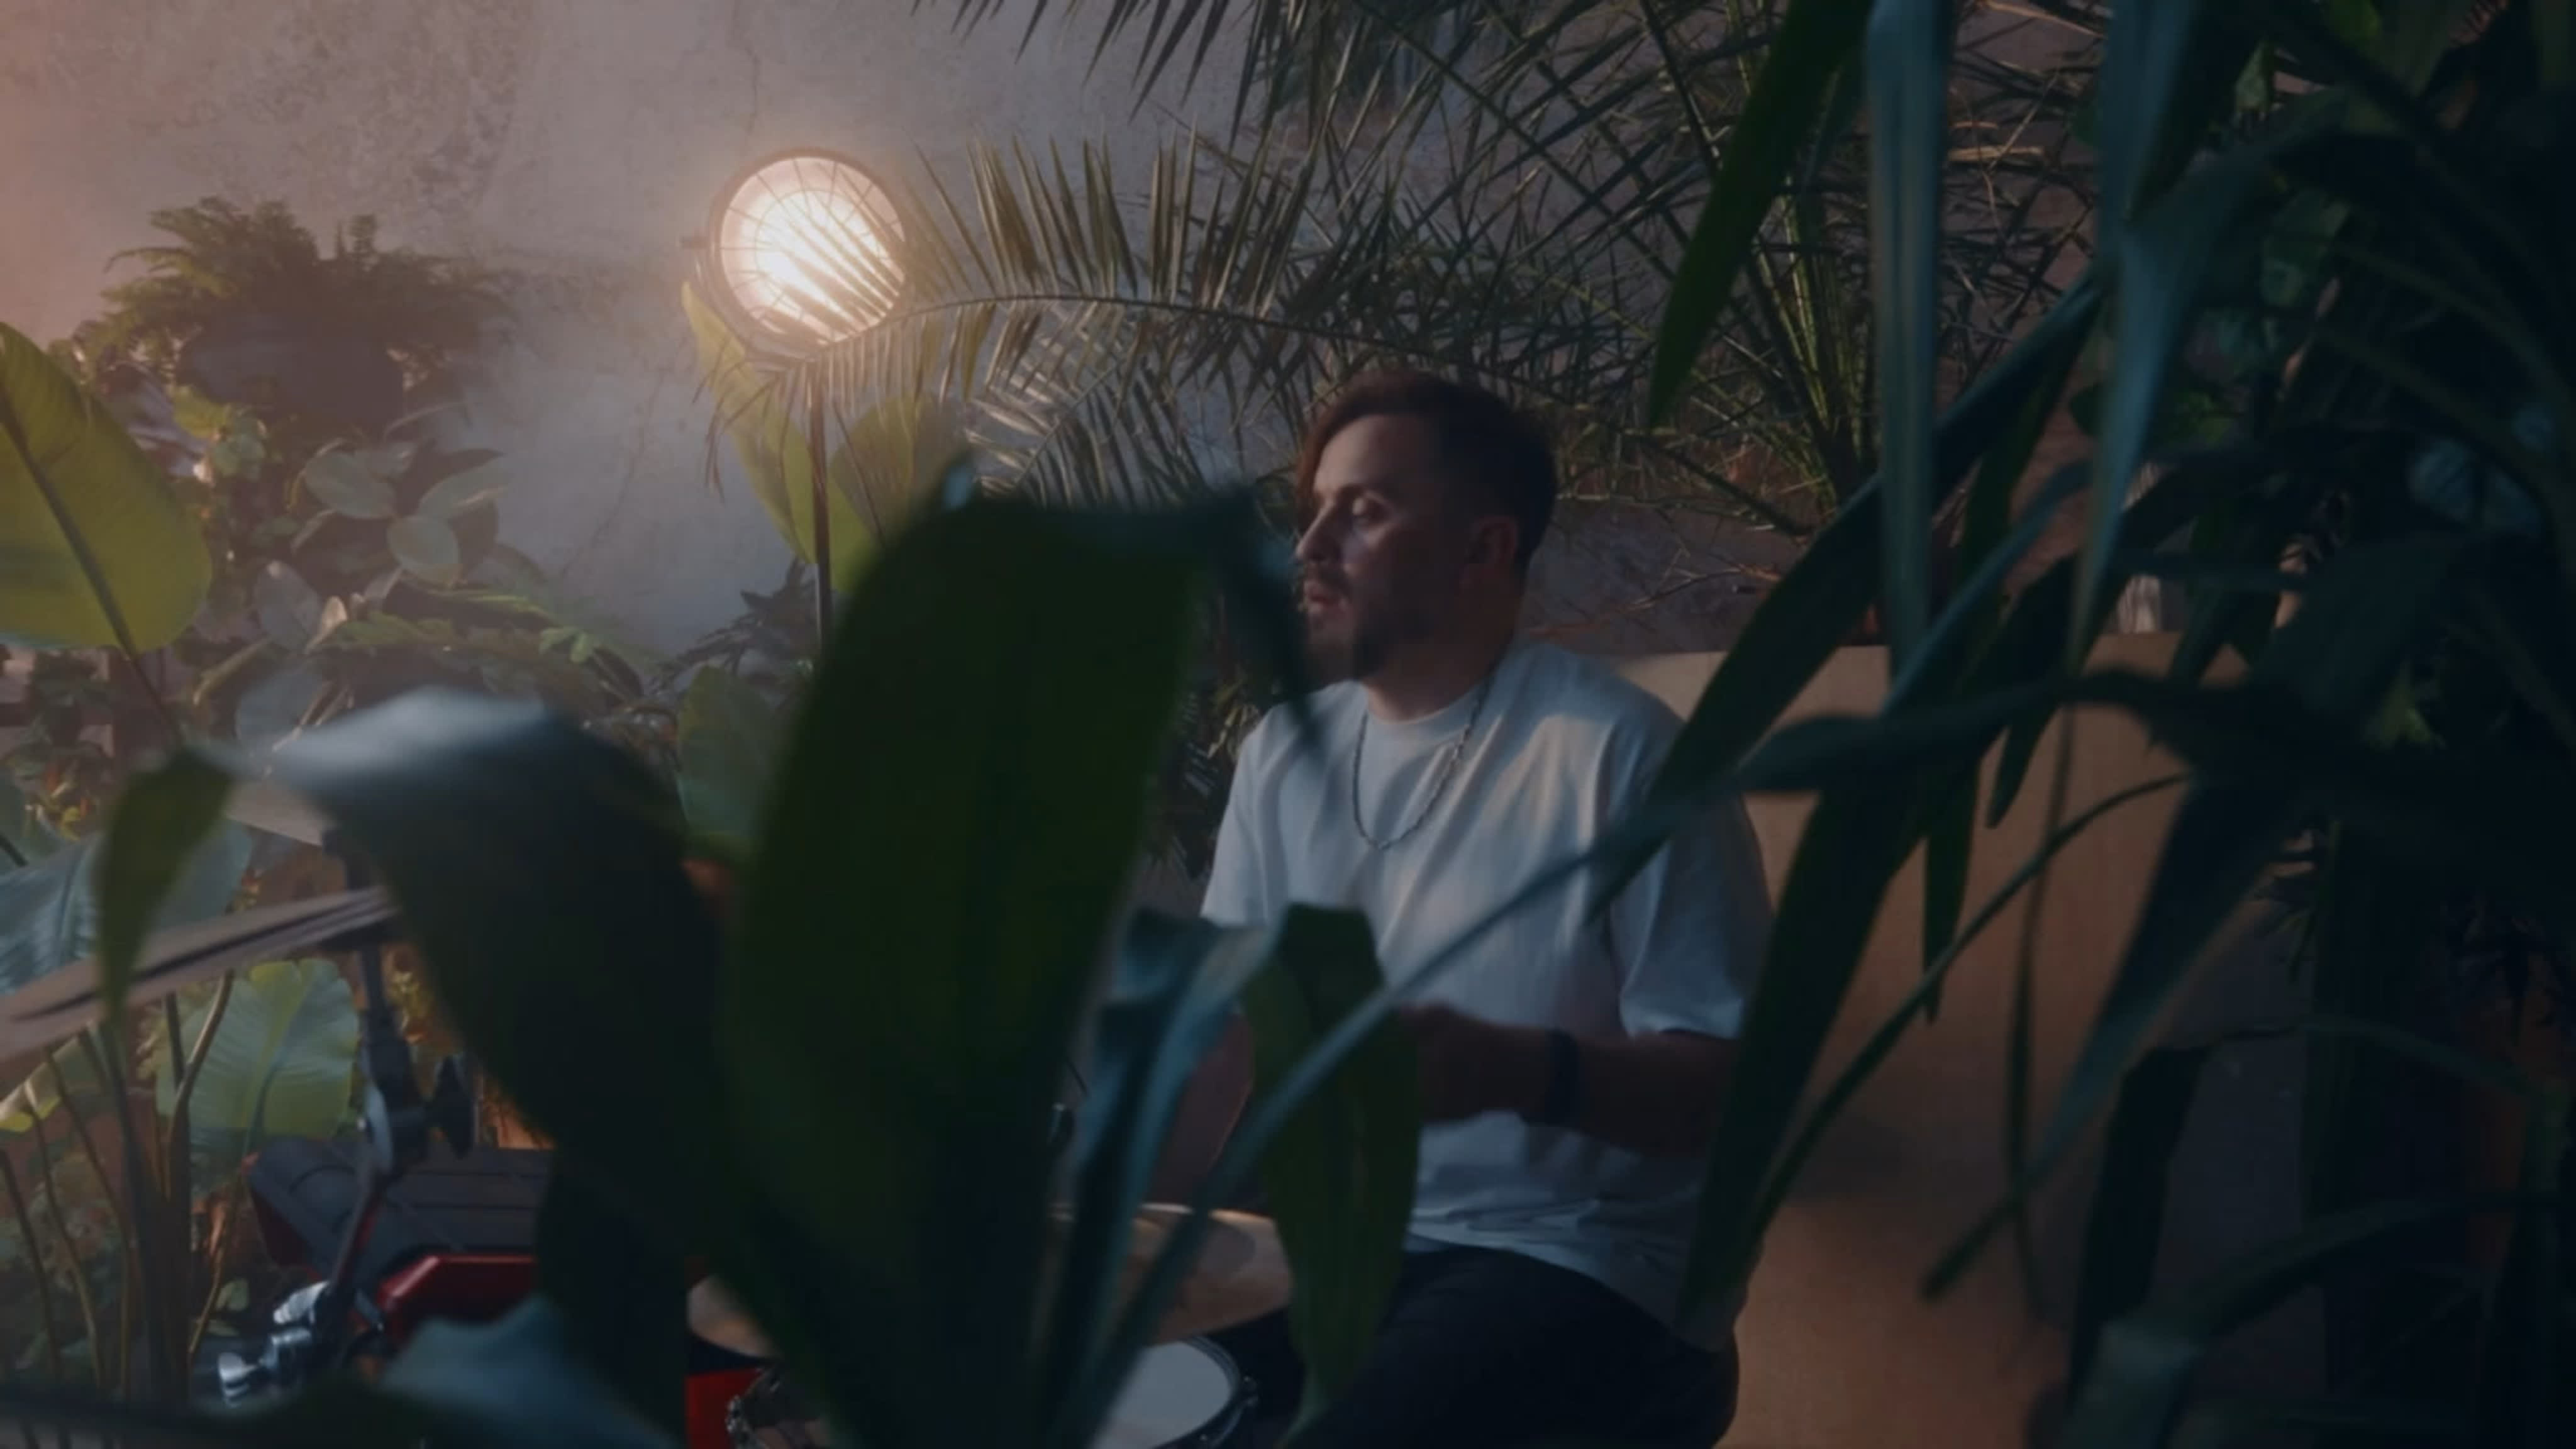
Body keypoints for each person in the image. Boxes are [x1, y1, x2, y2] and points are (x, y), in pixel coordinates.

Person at [1198, 371, 1774, 1448]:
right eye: (1313, 512)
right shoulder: (1282, 757)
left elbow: (1738, 1097)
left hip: (1581, 1257)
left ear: (1483, 550)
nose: (1311, 546)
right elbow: (1227, 1044)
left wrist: (1520, 1071)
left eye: (1363, 511)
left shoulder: (1624, 756)